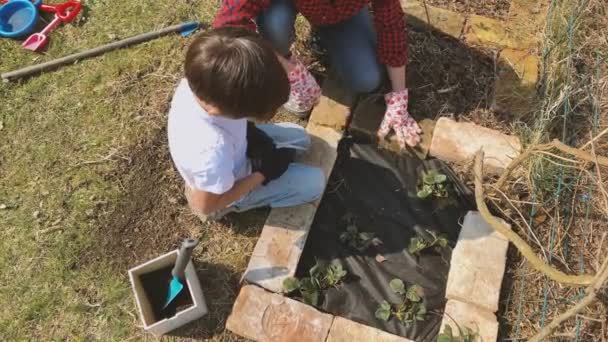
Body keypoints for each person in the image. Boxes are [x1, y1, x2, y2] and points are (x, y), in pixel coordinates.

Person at [213, 0, 422, 148]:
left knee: (366, 79)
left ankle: (326, 33)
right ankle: (281, 53)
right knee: (275, 26)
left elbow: (391, 25)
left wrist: (398, 95)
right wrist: (288, 69)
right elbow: (228, 25)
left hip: (337, 14)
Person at [167, 27, 325, 221]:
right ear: (224, 110)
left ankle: (246, 155)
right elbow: (205, 206)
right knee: (315, 183)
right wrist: (262, 173)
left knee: (300, 137)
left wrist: (251, 135)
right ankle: (241, 204)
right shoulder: (211, 152)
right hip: (224, 194)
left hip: (233, 152)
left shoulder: (202, 83)